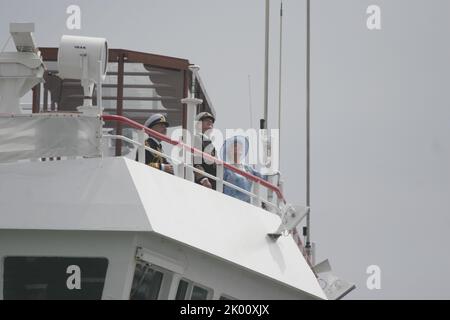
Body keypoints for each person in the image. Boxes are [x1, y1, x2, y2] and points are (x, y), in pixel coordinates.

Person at [221, 136, 264, 203]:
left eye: (239, 146)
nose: (237, 149)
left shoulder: (248, 168)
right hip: (231, 203)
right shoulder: (225, 168)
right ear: (228, 151)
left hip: (247, 205)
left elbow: (262, 177)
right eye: (234, 147)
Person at [193, 112, 217, 189]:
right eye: (206, 120)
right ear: (198, 125)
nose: (210, 122)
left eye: (211, 121)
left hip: (213, 183)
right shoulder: (196, 139)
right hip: (202, 184)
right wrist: (203, 178)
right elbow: (196, 161)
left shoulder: (210, 144)